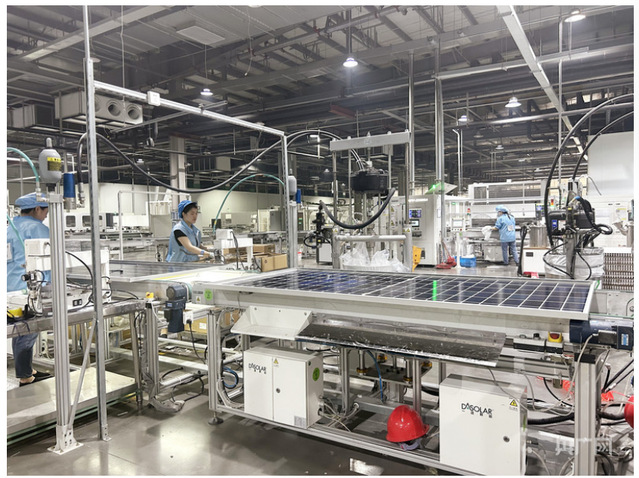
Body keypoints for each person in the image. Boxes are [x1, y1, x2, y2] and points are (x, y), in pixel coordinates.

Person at [7, 192, 53, 386]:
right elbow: (49, 260)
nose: (46, 214)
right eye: (46, 210)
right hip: (29, 289)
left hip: (11, 286)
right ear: (37, 208)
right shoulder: (38, 228)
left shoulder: (10, 227)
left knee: (19, 330)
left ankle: (27, 369)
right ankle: (25, 376)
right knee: (29, 330)